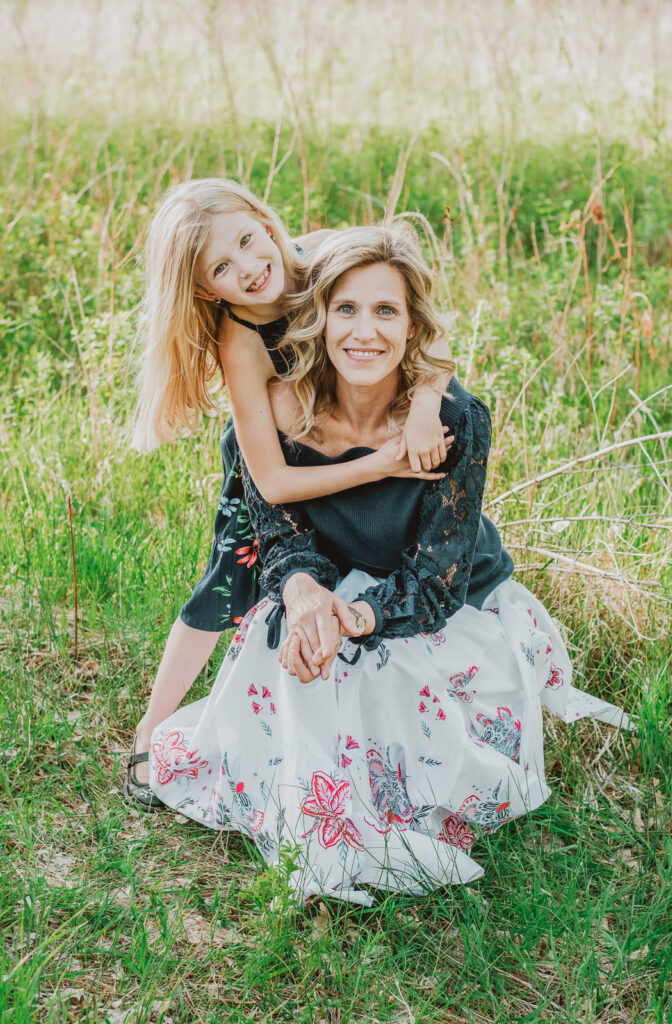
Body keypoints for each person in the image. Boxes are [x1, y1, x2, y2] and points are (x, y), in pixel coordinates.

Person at [146, 224, 631, 904]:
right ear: (317, 319)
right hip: (333, 581)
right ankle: (315, 808)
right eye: (345, 310)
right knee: (290, 645)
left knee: (389, 683)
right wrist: (309, 594)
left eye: (385, 312)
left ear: (411, 328)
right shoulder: (272, 417)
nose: (364, 332)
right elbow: (281, 532)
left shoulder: (453, 419)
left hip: (440, 608)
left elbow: (436, 583)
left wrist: (359, 615)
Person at [125, 180, 454, 810]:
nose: (250, 267)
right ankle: (150, 728)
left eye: (247, 240)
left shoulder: (327, 255)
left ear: (261, 218)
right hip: (273, 460)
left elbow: (424, 323)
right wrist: (382, 465)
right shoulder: (241, 340)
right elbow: (271, 481)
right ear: (203, 289)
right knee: (227, 582)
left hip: (345, 434)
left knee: (355, 553)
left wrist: (428, 402)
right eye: (223, 267)